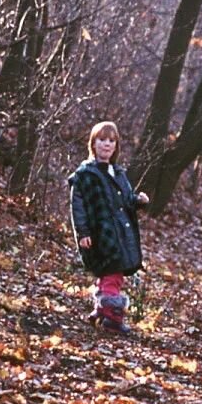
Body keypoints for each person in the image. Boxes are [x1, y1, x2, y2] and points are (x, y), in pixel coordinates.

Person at [68, 121, 149, 334]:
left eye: (111, 141)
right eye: (102, 140)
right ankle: (112, 318)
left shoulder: (117, 173)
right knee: (112, 272)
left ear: (116, 146)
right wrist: (83, 233)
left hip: (120, 233)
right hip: (100, 234)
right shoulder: (85, 174)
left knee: (112, 272)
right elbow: (78, 207)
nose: (106, 144)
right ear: (93, 144)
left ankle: (100, 309)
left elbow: (125, 200)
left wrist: (138, 200)